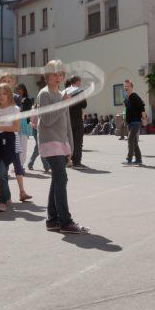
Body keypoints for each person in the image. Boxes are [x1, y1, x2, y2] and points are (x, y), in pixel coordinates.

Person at [35, 61, 88, 234]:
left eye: (60, 74)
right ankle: (66, 222)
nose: (58, 77)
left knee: (58, 179)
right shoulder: (44, 94)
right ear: (47, 75)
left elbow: (66, 125)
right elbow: (48, 120)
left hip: (61, 142)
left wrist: (70, 148)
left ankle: (52, 220)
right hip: (49, 141)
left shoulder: (61, 94)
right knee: (61, 178)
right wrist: (62, 103)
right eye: (54, 73)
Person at [0, 83, 22, 211]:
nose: (1, 96)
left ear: (9, 94)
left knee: (2, 172)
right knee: (0, 172)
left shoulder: (15, 109)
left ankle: (2, 201)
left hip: (8, 142)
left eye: (4, 93)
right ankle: (7, 196)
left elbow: (16, 128)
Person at [65, 76, 88, 168]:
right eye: (80, 82)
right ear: (77, 82)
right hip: (77, 119)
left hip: (68, 119)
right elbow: (84, 105)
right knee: (78, 141)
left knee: (68, 141)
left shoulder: (66, 91)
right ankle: (77, 162)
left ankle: (67, 160)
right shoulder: (79, 91)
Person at [122, 79, 145, 166]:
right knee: (134, 142)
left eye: (127, 86)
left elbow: (141, 105)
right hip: (130, 123)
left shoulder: (134, 96)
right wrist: (125, 120)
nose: (126, 88)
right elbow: (126, 110)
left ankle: (129, 159)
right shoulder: (126, 98)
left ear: (131, 87)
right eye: (124, 86)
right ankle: (138, 159)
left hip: (136, 122)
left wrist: (144, 116)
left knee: (130, 139)